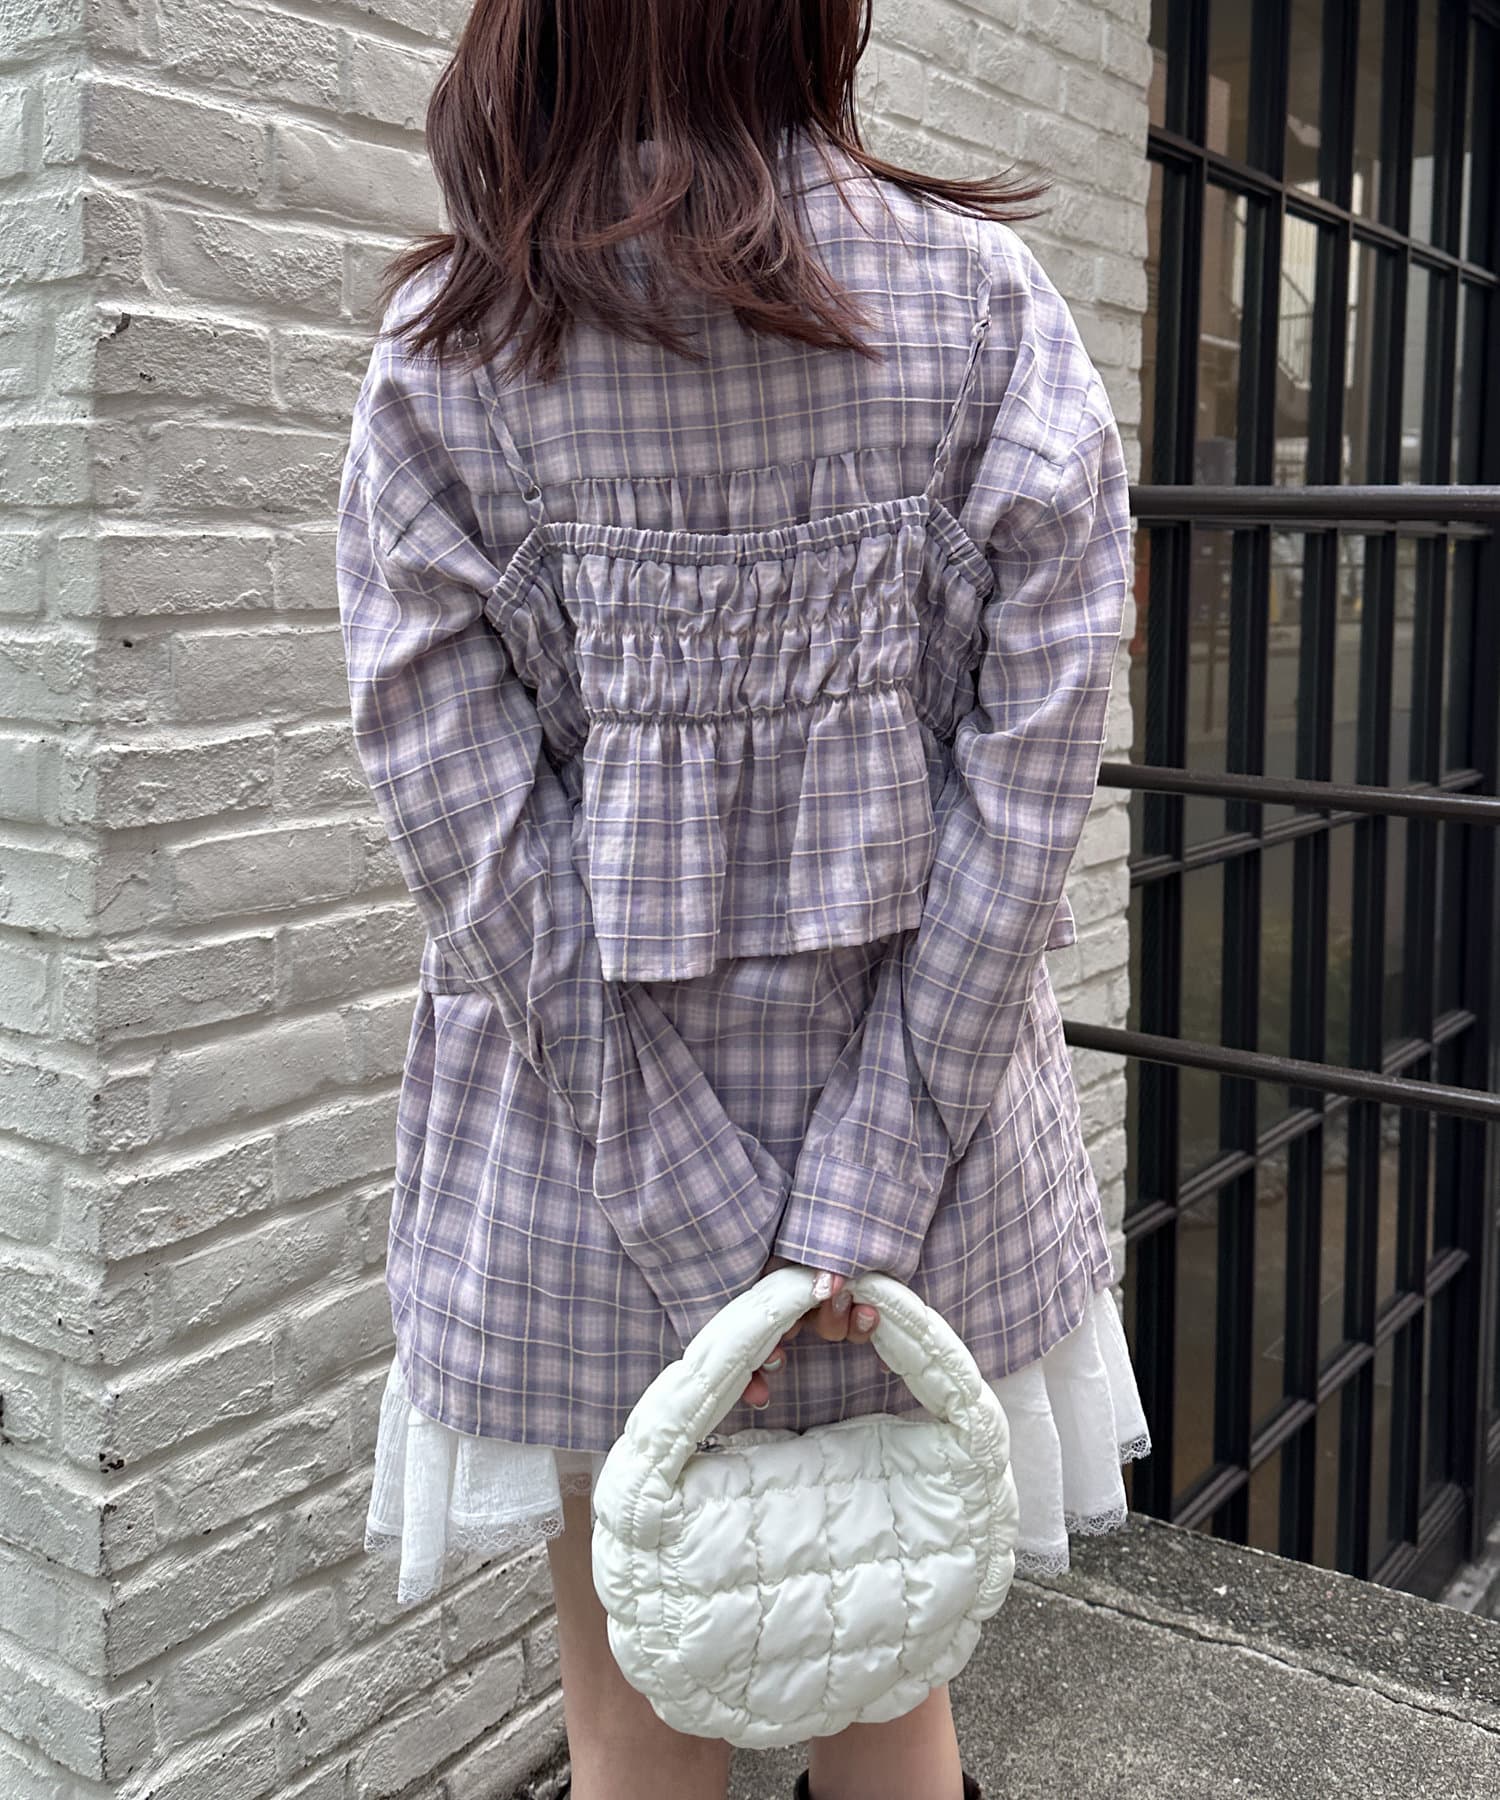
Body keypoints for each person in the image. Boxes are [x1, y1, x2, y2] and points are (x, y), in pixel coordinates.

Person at [336, 5, 1152, 1797]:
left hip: (581, 1191)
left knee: (633, 1709)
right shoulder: (983, 306)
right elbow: (1031, 797)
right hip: (928, 1195)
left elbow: (465, 832)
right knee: (883, 1659)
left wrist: (695, 1216)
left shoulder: (461, 346)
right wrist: (862, 1193)